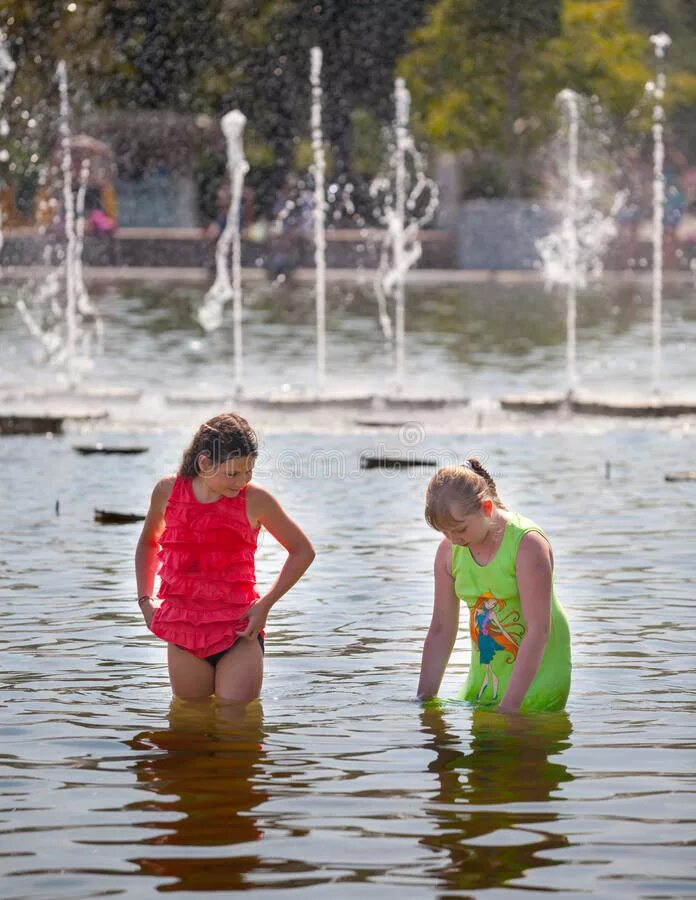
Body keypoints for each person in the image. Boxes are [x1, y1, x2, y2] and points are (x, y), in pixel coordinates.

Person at [135, 413, 315, 703]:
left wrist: (265, 605)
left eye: (249, 471)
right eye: (232, 473)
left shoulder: (256, 500)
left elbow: (303, 550)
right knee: (190, 724)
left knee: (236, 723)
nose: (242, 481)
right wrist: (145, 602)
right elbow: (148, 543)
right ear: (204, 463)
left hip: (239, 633)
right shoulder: (167, 493)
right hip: (183, 633)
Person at [418, 459, 571, 713]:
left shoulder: (527, 545)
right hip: (489, 674)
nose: (455, 539)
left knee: (515, 740)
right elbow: (441, 630)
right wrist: (423, 700)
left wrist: (509, 708)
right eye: (445, 532)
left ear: (486, 508)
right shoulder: (449, 552)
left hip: (539, 675)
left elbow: (539, 630)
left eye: (460, 529)